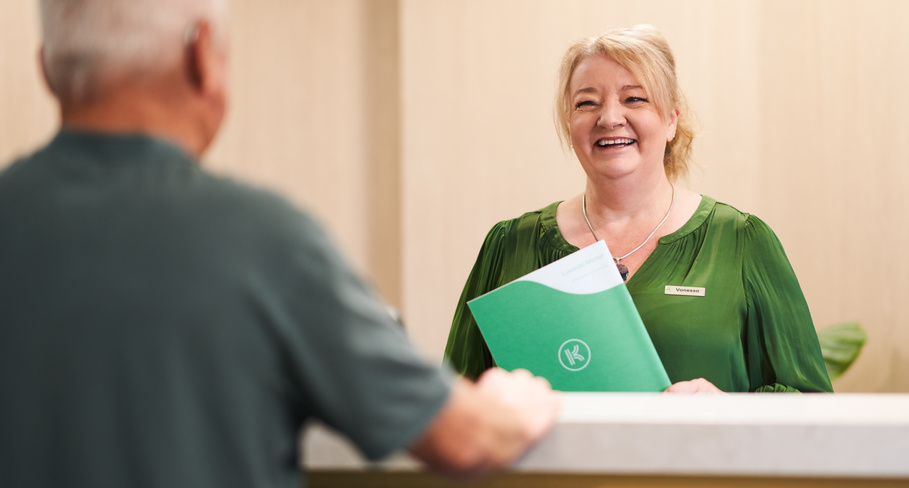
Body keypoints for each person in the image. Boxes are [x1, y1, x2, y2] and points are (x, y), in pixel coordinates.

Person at [0, 1, 560, 487]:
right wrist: (514, 401)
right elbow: (463, 440)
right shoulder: (264, 241)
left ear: (48, 67)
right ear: (201, 55)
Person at [444, 25, 833, 394]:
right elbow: (453, 401)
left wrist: (730, 409)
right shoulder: (509, 245)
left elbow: (811, 402)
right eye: (587, 102)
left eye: (634, 98)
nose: (609, 118)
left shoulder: (742, 242)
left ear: (670, 121)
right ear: (569, 123)